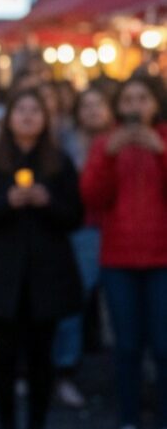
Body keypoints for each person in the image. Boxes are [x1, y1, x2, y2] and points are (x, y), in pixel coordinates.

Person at [0, 89, 83, 429]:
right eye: (21, 109)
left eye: (35, 110)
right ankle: (5, 423)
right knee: (3, 362)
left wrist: (48, 201)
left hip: (46, 278)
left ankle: (37, 422)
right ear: (9, 118)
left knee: (41, 361)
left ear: (46, 119)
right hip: (2, 278)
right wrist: (8, 201)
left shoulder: (60, 163)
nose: (28, 116)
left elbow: (75, 216)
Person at [80, 76, 167, 429]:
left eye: (142, 98)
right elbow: (91, 198)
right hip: (118, 258)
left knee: (164, 347)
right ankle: (128, 416)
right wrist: (108, 156)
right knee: (127, 346)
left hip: (162, 258)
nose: (135, 106)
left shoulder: (163, 140)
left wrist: (161, 153)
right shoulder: (105, 143)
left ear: (155, 104)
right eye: (129, 99)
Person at [52, 87, 114, 408]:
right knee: (74, 304)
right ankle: (64, 372)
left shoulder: (123, 139)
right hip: (79, 231)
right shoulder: (65, 143)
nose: (92, 110)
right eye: (86, 105)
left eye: (98, 104)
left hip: (117, 229)